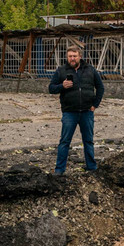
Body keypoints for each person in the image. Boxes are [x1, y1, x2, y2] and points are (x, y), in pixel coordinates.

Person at [48, 45, 104, 175]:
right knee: (64, 141)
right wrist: (62, 85)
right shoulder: (61, 71)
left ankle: (92, 167)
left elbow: (100, 88)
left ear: (80, 56)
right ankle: (59, 170)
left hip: (86, 112)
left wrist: (95, 104)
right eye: (70, 56)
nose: (72, 58)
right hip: (69, 112)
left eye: (74, 56)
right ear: (67, 57)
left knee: (88, 141)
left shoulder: (90, 70)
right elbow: (51, 88)